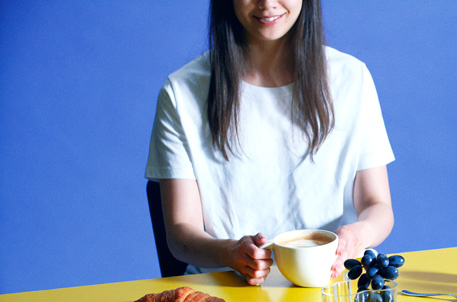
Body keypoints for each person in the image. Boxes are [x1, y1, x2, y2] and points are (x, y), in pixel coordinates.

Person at [145, 0, 394, 285]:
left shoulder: (351, 78)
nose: (267, 3)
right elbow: (181, 232)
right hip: (227, 291)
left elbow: (377, 205)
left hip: (332, 285)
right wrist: (229, 252)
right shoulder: (181, 92)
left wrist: (358, 234)